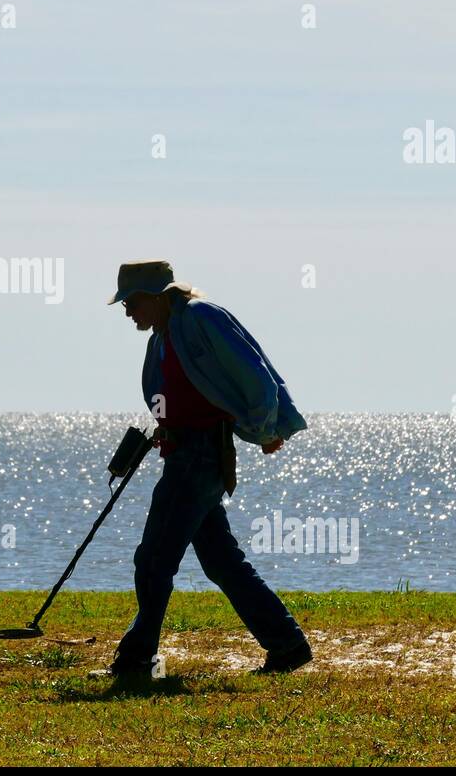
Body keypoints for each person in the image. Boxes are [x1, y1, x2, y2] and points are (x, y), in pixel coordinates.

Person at [92, 259, 313, 682]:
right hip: (186, 455)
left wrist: (266, 429)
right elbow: (174, 398)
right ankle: (287, 645)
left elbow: (256, 376)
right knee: (222, 562)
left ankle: (136, 660)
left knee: (154, 559)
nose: (127, 311)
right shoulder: (161, 336)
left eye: (132, 301)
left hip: (200, 459)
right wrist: (165, 430)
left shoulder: (199, 318)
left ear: (157, 297)